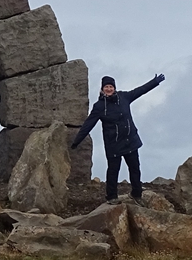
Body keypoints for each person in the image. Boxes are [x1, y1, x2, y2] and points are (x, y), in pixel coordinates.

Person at [70, 73, 166, 204]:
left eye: (111, 86)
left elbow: (140, 90)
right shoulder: (99, 106)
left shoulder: (124, 97)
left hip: (130, 140)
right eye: (106, 87)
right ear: (102, 89)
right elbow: (88, 124)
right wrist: (76, 141)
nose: (109, 89)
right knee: (113, 170)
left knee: (135, 168)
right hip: (113, 144)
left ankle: (137, 195)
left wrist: (155, 81)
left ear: (114, 87)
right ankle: (112, 197)